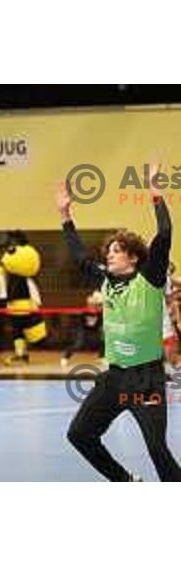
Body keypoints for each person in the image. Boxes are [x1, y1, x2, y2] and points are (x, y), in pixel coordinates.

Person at [58, 170, 181, 481]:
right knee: (79, 435)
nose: (109, 256)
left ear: (133, 258)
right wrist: (65, 217)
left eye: (116, 251)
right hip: (115, 379)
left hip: (146, 381)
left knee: (157, 450)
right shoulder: (105, 280)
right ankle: (126, 482)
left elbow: (164, 233)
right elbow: (78, 255)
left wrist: (156, 194)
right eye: (108, 251)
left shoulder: (149, 278)